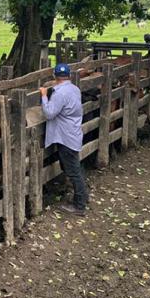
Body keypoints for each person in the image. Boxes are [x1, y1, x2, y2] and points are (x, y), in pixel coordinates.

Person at [39, 63, 87, 216]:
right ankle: (84, 196)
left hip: (65, 136)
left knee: (72, 171)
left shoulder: (59, 93)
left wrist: (44, 96)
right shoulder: (75, 89)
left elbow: (49, 113)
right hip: (73, 133)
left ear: (54, 76)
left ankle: (79, 206)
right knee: (73, 167)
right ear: (69, 75)